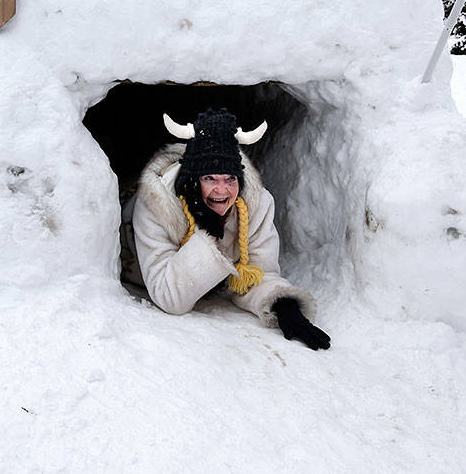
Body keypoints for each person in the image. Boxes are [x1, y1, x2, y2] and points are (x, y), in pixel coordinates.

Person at [122, 107, 330, 350]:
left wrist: (282, 305)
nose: (222, 191)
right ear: (192, 179)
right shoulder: (156, 203)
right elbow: (169, 297)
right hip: (132, 258)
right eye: (210, 178)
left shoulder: (255, 205)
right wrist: (208, 234)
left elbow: (256, 272)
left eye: (230, 179)